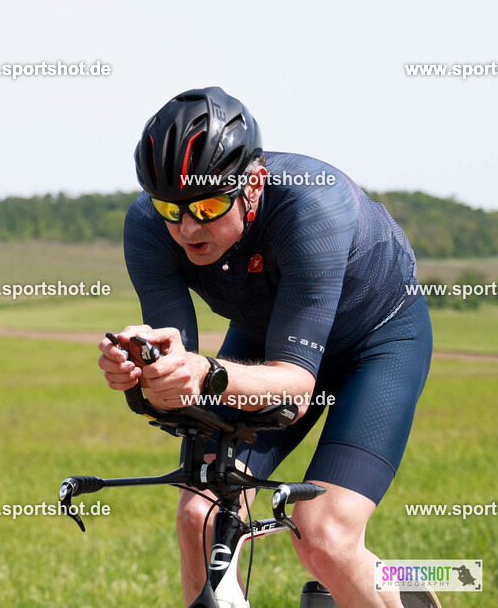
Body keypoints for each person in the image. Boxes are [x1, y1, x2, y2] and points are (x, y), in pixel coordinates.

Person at [97, 86, 434, 607]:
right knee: (199, 513)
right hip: (267, 338)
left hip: (377, 341)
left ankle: (401, 593)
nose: (187, 228)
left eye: (208, 205)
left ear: (253, 184)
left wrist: (205, 373)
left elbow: (296, 387)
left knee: (322, 533)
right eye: (171, 207)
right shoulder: (148, 227)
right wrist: (144, 376)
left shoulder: (313, 206)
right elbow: (182, 389)